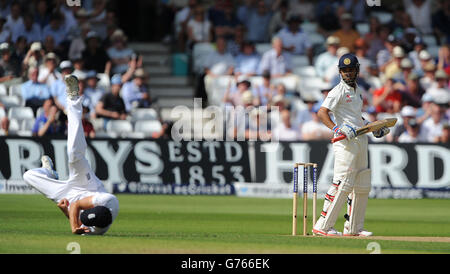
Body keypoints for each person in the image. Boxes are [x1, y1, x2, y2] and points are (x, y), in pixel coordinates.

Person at [23, 74, 119, 235]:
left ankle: (48, 172)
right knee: (74, 153)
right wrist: (74, 226)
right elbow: (76, 207)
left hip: (70, 196)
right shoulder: (109, 201)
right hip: (88, 186)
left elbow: (75, 215)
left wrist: (64, 210)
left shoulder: (97, 230)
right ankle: (73, 98)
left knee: (28, 176)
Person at [314, 53, 390, 237]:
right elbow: (322, 112)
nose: (348, 73)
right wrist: (336, 129)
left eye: (351, 69)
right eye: (344, 70)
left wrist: (373, 127)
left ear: (357, 70)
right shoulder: (337, 90)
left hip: (361, 139)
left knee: (362, 183)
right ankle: (322, 226)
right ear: (340, 72)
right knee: (342, 183)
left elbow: (356, 118)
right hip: (345, 142)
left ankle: (353, 227)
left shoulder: (358, 91)